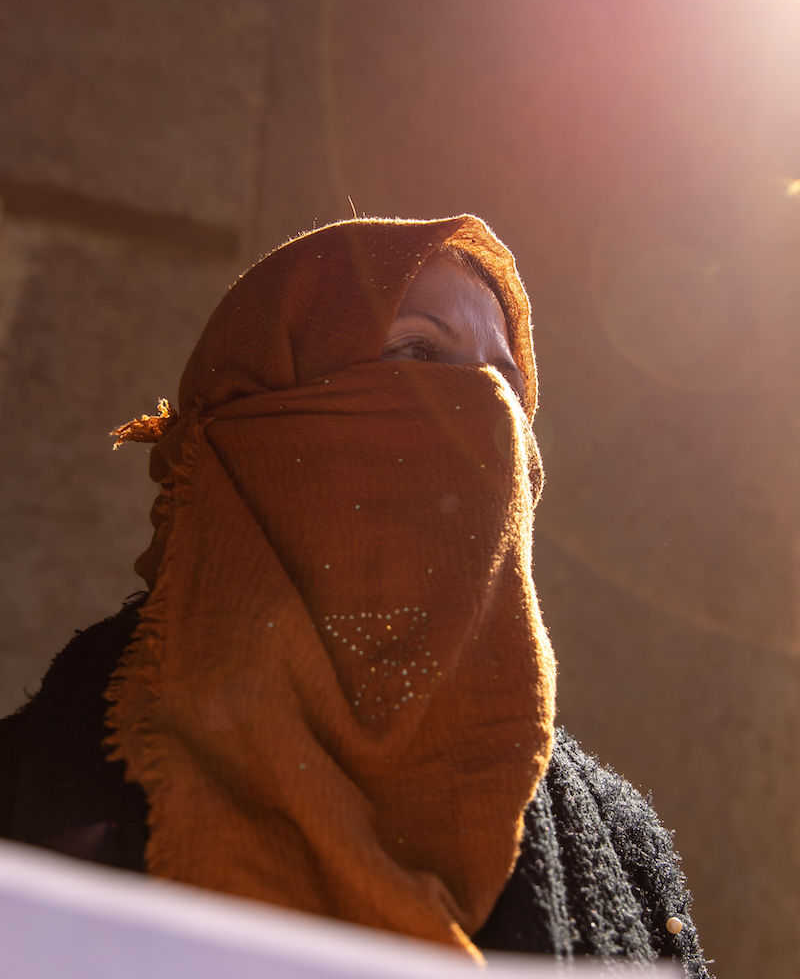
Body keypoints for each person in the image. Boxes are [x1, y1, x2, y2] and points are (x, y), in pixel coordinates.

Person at [0, 215, 712, 974]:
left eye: (505, 381)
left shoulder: (618, 844)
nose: (483, 408)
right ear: (262, 413)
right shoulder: (44, 776)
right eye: (418, 351)